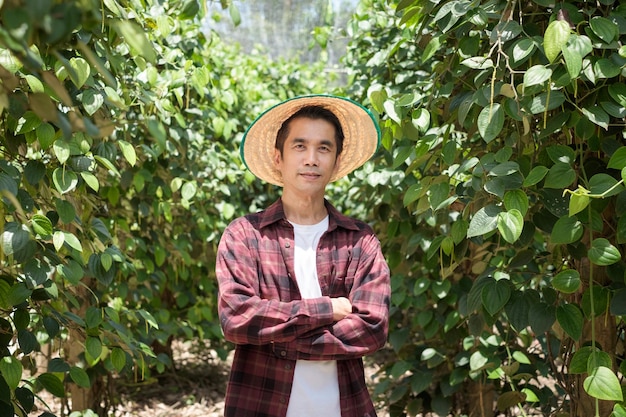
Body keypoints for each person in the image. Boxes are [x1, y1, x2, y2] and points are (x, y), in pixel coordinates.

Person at [216, 95, 391, 417]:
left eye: (324, 148)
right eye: (299, 146)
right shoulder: (244, 235)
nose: (312, 159)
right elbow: (237, 319)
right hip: (261, 405)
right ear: (278, 157)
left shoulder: (360, 240)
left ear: (336, 161)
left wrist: (275, 340)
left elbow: (371, 328)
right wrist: (327, 309)